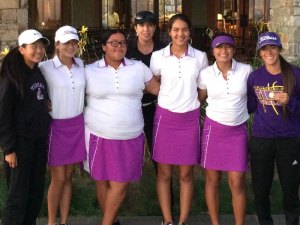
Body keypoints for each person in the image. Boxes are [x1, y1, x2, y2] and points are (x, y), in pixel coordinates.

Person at [84, 29, 160, 225]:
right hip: (98, 134)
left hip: (130, 135)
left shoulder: (138, 67)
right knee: (102, 179)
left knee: (120, 183)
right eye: (113, 43)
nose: (119, 47)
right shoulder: (90, 71)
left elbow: (158, 90)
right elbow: (70, 88)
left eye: (123, 43)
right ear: (103, 46)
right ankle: (112, 220)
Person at [150, 14, 208, 225]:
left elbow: (203, 90)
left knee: (186, 174)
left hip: (189, 120)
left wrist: (191, 104)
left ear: (190, 32)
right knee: (164, 173)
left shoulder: (200, 57)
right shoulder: (158, 56)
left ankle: (182, 220)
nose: (180, 34)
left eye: (184, 29)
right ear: (169, 32)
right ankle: (167, 220)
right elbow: (155, 81)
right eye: (175, 29)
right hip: (165, 119)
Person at [198, 33, 252, 225]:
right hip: (214, 131)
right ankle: (215, 222)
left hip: (237, 132)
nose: (224, 51)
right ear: (213, 51)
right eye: (219, 47)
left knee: (237, 181)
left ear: (233, 49)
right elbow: (200, 98)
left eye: (228, 46)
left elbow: (255, 97)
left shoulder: (246, 70)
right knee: (212, 180)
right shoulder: (205, 73)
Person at [247, 31, 300, 225]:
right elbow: (251, 106)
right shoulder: (254, 78)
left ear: (279, 49)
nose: (269, 52)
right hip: (262, 139)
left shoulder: (295, 74)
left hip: (289, 139)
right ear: (260, 53)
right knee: (261, 189)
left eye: (272, 47)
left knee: (290, 189)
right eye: (264, 48)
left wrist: (290, 101)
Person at [0, 29, 51, 225]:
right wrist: (9, 149)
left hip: (38, 140)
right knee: (18, 193)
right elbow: (3, 114)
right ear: (21, 49)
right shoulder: (11, 75)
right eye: (34, 47)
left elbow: (35, 97)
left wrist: (45, 102)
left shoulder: (36, 70)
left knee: (35, 190)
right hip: (20, 144)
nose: (39, 50)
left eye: (41, 46)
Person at [39, 25, 86, 225]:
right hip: (56, 128)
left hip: (77, 125)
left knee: (68, 177)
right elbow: (30, 87)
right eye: (66, 43)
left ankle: (64, 221)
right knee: (58, 178)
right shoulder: (45, 67)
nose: (71, 46)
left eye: (74, 42)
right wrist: (41, 103)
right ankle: (51, 222)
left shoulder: (82, 64)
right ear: (57, 45)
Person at [126, 10, 166, 167]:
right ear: (135, 28)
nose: (146, 29)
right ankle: (122, 188)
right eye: (141, 25)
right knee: (127, 152)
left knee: (159, 152)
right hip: (130, 106)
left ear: (155, 28)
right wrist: (152, 84)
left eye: (150, 25)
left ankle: (164, 189)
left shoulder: (164, 50)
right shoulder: (126, 49)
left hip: (155, 106)